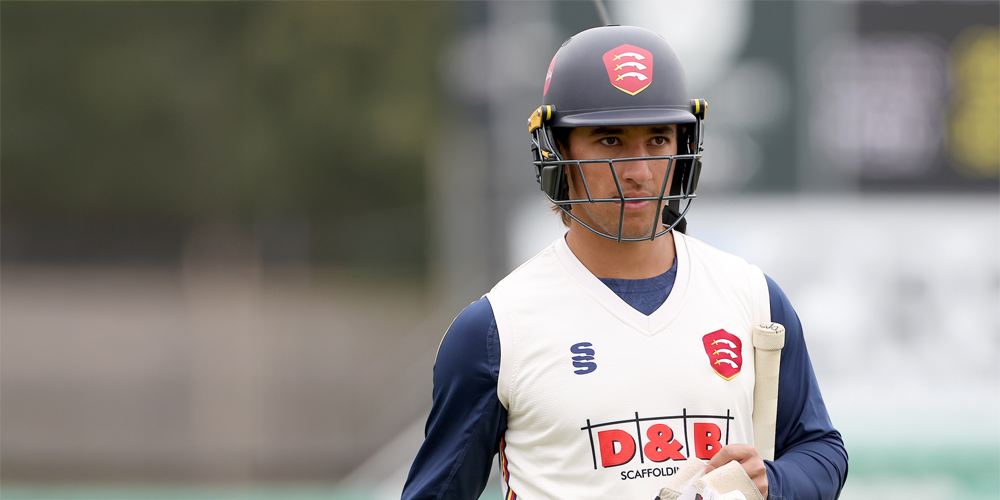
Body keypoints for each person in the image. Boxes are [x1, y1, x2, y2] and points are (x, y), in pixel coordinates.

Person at [402, 25, 847, 500]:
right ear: (556, 151)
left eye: (657, 140)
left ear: (683, 147)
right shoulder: (495, 330)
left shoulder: (754, 298)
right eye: (610, 140)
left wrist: (772, 483)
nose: (639, 171)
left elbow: (820, 451)